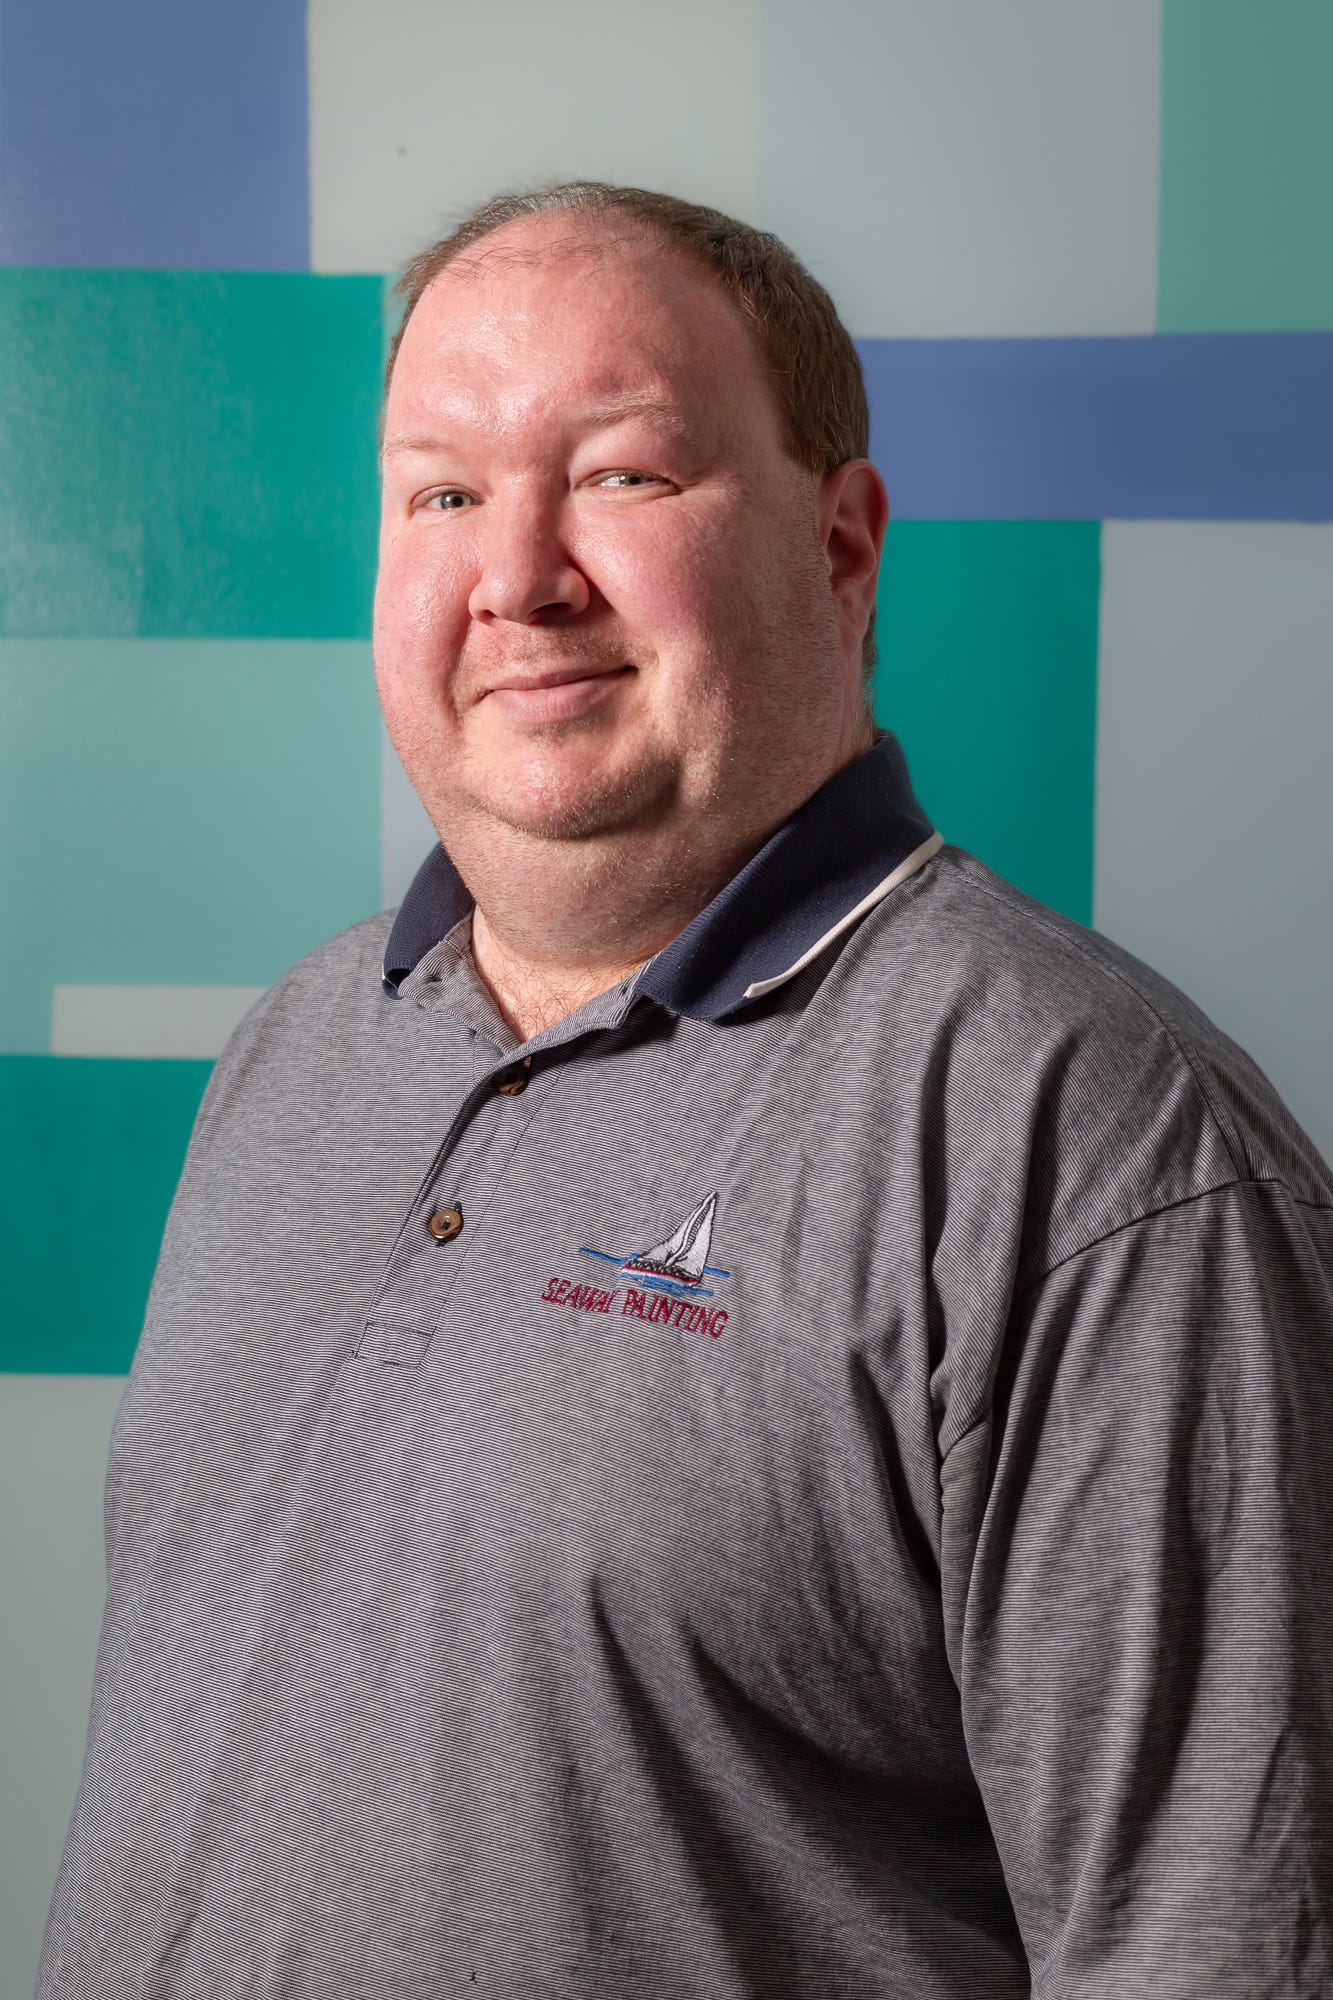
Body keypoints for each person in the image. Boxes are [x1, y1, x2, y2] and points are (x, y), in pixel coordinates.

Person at [37, 183, 1333, 2000]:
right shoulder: (304, 1044)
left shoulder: (1090, 1146)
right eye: (444, 492)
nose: (517, 576)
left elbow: (1216, 1947)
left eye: (624, 476)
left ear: (842, 546)